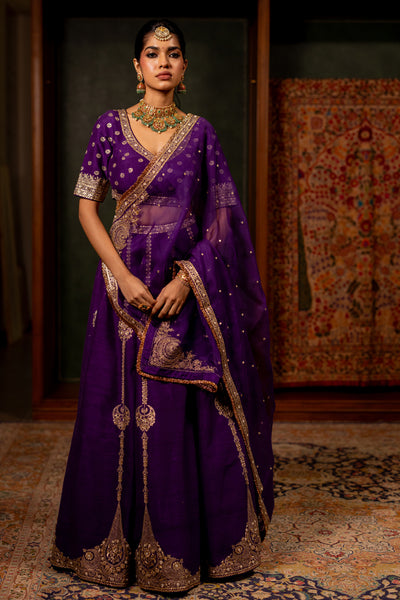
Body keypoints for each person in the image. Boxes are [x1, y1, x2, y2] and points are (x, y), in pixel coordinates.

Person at [50, 18, 275, 594]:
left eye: (173, 53)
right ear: (137, 66)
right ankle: (109, 550)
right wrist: (122, 276)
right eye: (153, 53)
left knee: (180, 414)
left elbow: (222, 219)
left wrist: (187, 281)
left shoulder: (200, 134)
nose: (164, 62)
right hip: (122, 292)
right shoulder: (109, 126)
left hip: (182, 290)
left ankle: (183, 548)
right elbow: (86, 208)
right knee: (114, 410)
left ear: (184, 66)